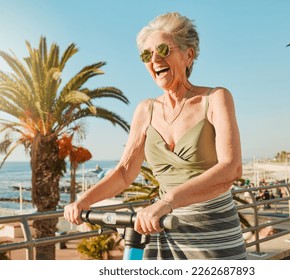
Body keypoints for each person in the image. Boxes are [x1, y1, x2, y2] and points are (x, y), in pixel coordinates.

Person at [64, 12, 246, 260]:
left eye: (163, 49)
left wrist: (166, 203)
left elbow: (230, 170)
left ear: (188, 55)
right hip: (160, 228)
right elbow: (125, 172)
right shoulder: (145, 110)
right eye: (146, 55)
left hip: (212, 235)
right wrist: (84, 201)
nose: (155, 58)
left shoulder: (215, 99)